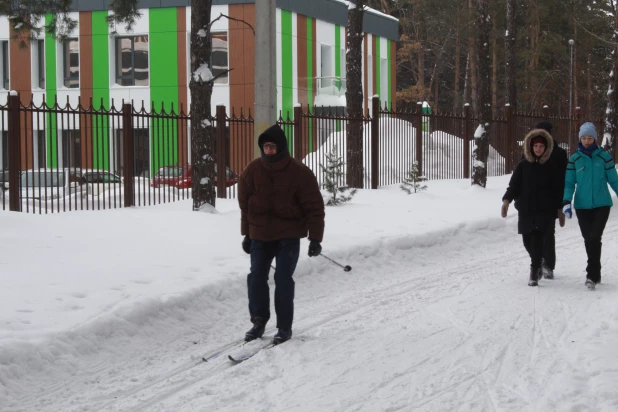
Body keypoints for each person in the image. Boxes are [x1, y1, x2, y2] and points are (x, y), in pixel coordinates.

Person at [238, 124, 325, 344]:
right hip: (260, 234)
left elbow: (314, 207)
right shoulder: (253, 169)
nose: (268, 151)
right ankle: (258, 321)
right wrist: (246, 234)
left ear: (282, 147)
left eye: (272, 146)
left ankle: (284, 327)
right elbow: (245, 204)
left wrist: (315, 238)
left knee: (282, 278)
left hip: (288, 234)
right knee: (256, 275)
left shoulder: (299, 172)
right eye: (265, 146)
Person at [502, 128, 564, 286]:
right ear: (530, 147)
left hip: (544, 210)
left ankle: (534, 273)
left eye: (541, 146)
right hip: (526, 210)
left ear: (546, 148)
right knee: (526, 241)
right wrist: (506, 201)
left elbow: (558, 189)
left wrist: (560, 209)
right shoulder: (523, 165)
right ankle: (539, 260)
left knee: (537, 239)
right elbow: (514, 185)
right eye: (535, 146)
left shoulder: (551, 166)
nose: (538, 149)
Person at [562, 122, 618, 290]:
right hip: (582, 206)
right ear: (580, 139)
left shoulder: (604, 157)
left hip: (602, 204)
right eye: (584, 138)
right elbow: (569, 183)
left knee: (594, 237)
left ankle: (591, 274)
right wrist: (566, 202)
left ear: (595, 138)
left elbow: (614, 180)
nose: (587, 141)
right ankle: (596, 270)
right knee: (589, 239)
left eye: (590, 137)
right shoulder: (574, 159)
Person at [534, 121, 569, 279]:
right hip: (533, 200)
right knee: (534, 233)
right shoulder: (530, 150)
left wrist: (561, 203)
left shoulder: (559, 153)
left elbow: (564, 179)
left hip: (551, 200)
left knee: (548, 233)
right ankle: (537, 262)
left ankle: (548, 265)